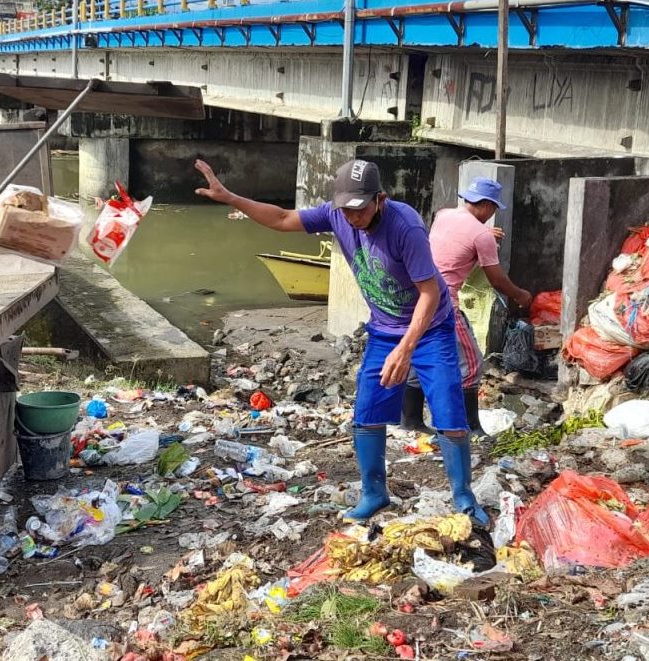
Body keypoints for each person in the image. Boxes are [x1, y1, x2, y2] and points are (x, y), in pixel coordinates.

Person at [194, 158, 490, 527]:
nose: (353, 217)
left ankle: (463, 497)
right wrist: (231, 197)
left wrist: (407, 348)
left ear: (379, 199)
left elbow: (430, 293)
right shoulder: (337, 215)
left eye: (360, 209)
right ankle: (375, 492)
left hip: (430, 327)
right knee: (367, 414)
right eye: (345, 209)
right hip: (384, 328)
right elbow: (283, 219)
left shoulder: (405, 226)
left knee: (449, 416)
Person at [401, 176, 531, 436]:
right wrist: (520, 295)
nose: (493, 213)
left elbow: (457, 240)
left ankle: (411, 421)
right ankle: (471, 427)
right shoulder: (481, 235)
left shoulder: (444, 215)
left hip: (416, 295)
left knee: (417, 357)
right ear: (485, 205)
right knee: (472, 364)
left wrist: (483, 234)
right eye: (493, 208)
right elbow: (496, 279)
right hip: (442, 303)